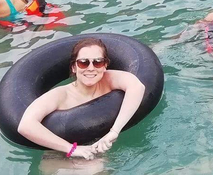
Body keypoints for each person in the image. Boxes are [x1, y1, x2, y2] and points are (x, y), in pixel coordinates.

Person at [17, 37, 146, 159]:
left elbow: (137, 87)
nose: (91, 68)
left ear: (105, 65)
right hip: (58, 156)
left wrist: (114, 131)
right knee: (94, 166)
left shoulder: (108, 80)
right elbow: (26, 125)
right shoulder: (61, 94)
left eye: (98, 62)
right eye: (83, 63)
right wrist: (71, 149)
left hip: (95, 149)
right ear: (74, 67)